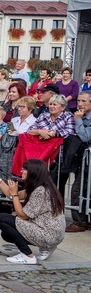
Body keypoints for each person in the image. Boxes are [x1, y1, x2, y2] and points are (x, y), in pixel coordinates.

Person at [0, 159, 66, 264]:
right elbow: (11, 195)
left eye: (24, 169)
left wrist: (14, 194)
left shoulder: (40, 191)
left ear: (33, 172)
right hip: (51, 233)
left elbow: (22, 215)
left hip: (47, 234)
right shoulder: (41, 187)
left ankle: (28, 256)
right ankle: (45, 248)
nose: (21, 171)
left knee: (2, 219)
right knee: (7, 234)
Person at [66, 91, 91, 232]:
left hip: (88, 158)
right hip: (80, 158)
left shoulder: (79, 118)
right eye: (79, 101)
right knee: (80, 188)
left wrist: (78, 120)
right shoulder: (79, 116)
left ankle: (80, 222)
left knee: (78, 189)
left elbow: (85, 137)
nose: (80, 104)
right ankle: (81, 220)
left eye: (83, 101)